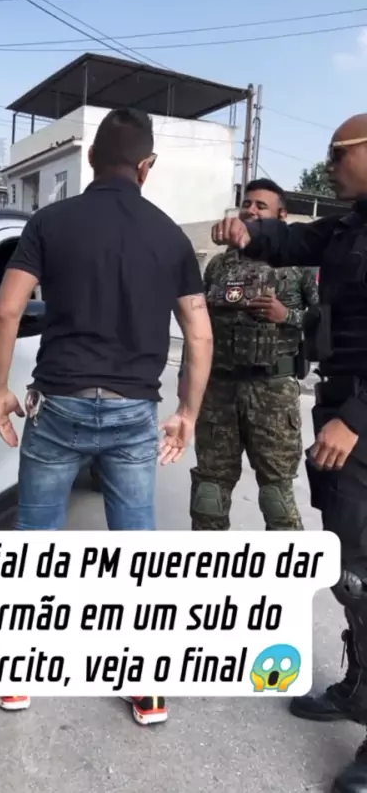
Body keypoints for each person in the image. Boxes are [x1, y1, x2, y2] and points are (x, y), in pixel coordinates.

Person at [0, 107, 213, 726]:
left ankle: (16, 675)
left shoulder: (50, 222)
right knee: (136, 547)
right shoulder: (170, 236)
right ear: (147, 166)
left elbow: (5, 311)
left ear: (89, 160)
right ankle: (147, 685)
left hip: (58, 401)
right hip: (134, 408)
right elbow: (198, 333)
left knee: (35, 537)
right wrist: (187, 412)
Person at [211, 113, 367, 793]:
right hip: (338, 406)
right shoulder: (349, 225)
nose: (328, 165)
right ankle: (358, 688)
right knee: (351, 570)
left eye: (338, 154)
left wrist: (356, 419)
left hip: (357, 416)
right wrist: (250, 232)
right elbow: (294, 238)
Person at [179, 178, 318, 532]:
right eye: (247, 204)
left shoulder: (299, 265)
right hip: (219, 393)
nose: (251, 210)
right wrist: (187, 390)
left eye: (261, 206)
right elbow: (199, 329)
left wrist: (286, 315)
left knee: (276, 498)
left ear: (281, 216)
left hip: (272, 394)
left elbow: (325, 321)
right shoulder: (218, 266)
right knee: (208, 494)